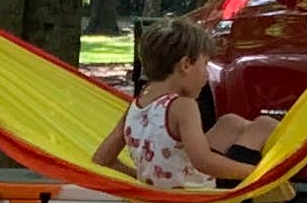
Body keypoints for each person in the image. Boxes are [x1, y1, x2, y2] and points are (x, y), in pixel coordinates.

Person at [93, 12, 270, 190]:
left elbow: (101, 159)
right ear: (185, 65)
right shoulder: (183, 106)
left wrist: (142, 178)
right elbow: (203, 162)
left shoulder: (136, 107)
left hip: (170, 194)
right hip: (202, 199)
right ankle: (271, 184)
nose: (207, 74)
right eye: (205, 64)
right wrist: (256, 174)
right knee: (264, 124)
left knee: (229, 122)